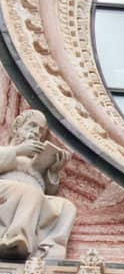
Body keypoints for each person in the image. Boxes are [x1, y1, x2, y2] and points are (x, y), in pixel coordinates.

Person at [0, 110, 75, 260]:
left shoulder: (35, 162)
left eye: (40, 130)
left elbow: (48, 190)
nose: (36, 132)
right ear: (16, 128)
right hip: (7, 190)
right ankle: (14, 238)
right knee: (30, 193)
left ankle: (50, 246)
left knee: (66, 206)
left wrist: (53, 171)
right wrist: (18, 150)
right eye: (31, 126)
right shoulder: (7, 150)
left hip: (32, 197)